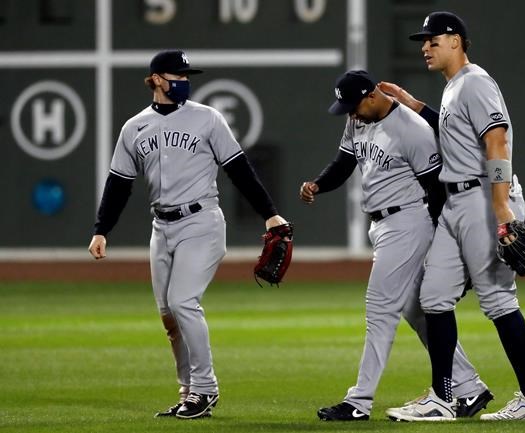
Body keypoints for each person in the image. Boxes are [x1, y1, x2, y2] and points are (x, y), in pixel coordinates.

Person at [87, 49, 289, 420]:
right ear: (158, 79)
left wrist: (270, 214)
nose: (184, 81)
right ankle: (188, 391)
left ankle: (206, 389)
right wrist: (102, 230)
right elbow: (119, 184)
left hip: (201, 223)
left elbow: (240, 170)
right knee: (168, 315)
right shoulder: (134, 127)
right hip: (160, 228)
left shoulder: (208, 119)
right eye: (178, 76)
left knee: (182, 302)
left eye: (186, 76)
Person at [383, 12, 525, 421]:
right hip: (457, 203)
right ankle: (443, 398)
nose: (425, 47)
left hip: (483, 200)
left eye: (433, 40)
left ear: (456, 41)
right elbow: (453, 134)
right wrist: (412, 104)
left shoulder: (475, 82)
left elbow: (497, 142)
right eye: (423, 41)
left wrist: (501, 207)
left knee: (497, 300)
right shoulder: (454, 88)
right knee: (433, 297)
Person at [300, 69, 493, 421]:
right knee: (414, 310)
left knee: (379, 309)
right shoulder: (358, 119)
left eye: (354, 105)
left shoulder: (413, 130)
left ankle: (359, 401)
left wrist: (446, 245)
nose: (350, 113)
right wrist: (318, 184)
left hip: (409, 221)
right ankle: (469, 387)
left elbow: (437, 191)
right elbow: (344, 163)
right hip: (383, 224)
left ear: (372, 95)